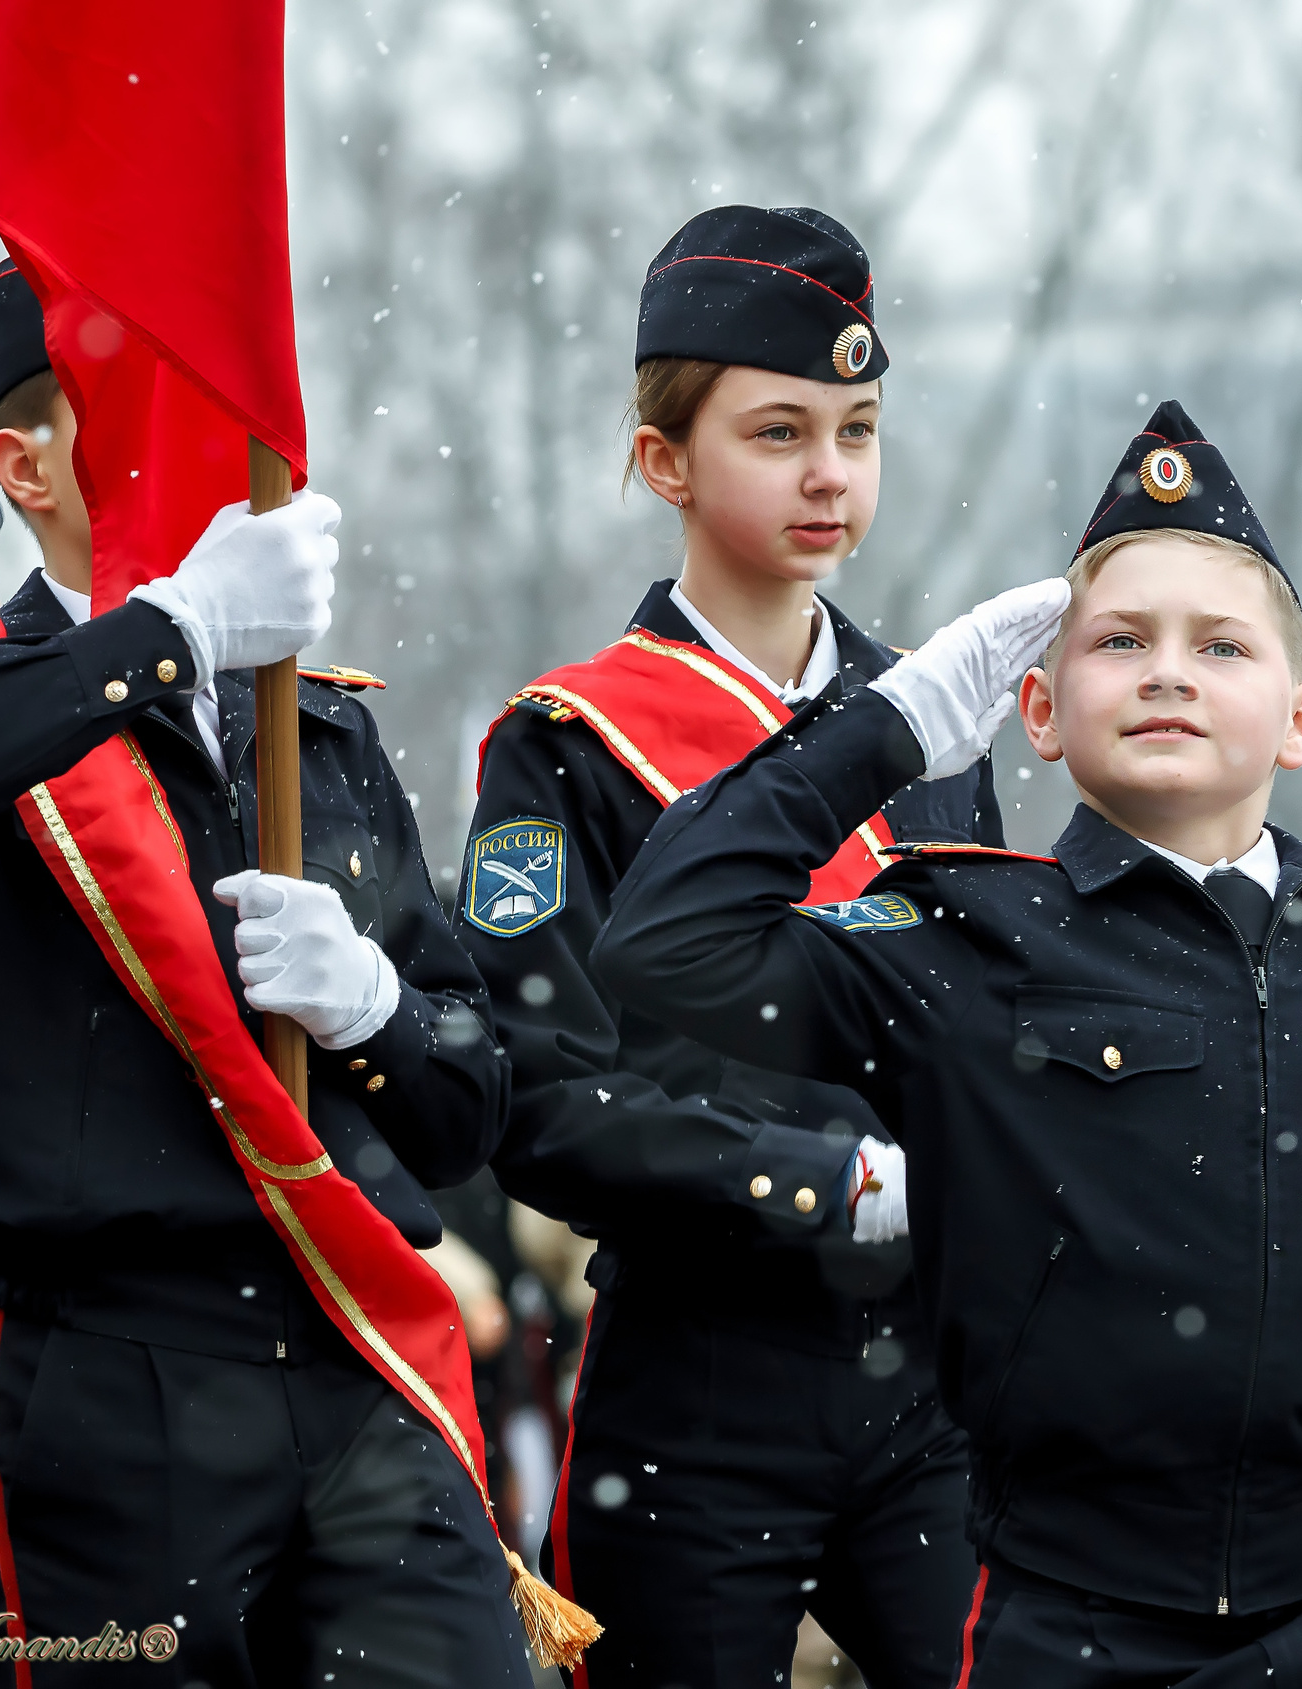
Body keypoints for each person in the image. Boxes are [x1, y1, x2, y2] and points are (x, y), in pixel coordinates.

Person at [595, 401, 1302, 1689]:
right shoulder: (966, 941)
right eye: (1119, 641)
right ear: (1037, 712)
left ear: (1301, 717)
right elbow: (664, 950)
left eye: (1220, 645)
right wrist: (882, 732)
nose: (1168, 671)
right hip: (1077, 1613)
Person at [0, 259, 543, 1686]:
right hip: (112, 1372)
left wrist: (375, 1012)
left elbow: (469, 1108)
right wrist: (174, 628)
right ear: (24, 465)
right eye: (164, 400)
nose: (222, 439)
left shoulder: (316, 727)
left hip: (346, 1344)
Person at [463, 205, 997, 1688]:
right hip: (699, 1374)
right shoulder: (560, 745)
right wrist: (816, 1181)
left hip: (933, 1380)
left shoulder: (935, 721)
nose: (832, 473)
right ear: (665, 462)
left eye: (860, 426)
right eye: (779, 432)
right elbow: (541, 1098)